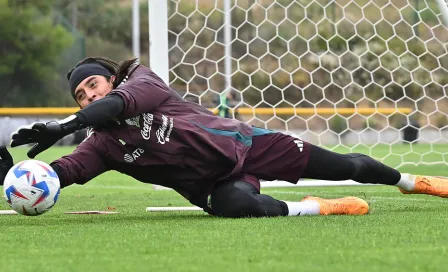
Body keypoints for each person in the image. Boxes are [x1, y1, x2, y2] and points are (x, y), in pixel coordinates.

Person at [2, 56, 447, 218]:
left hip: (248, 144)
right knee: (236, 206)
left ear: (109, 78)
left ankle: (415, 182)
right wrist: (18, 174)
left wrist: (63, 125)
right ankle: (315, 209)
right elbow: (62, 172)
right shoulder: (100, 143)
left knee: (349, 166)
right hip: (215, 186)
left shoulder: (142, 82)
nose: (88, 97)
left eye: (92, 85)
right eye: (80, 96)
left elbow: (116, 105)